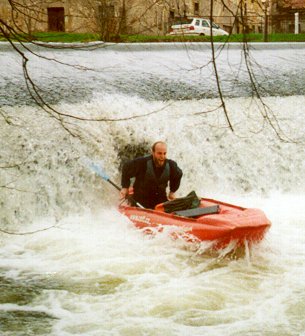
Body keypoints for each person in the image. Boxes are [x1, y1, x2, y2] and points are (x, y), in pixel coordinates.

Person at [120, 141, 183, 209]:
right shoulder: (143, 163)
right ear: (153, 152)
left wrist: (172, 192)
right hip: (140, 200)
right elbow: (126, 167)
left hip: (159, 200)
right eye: (159, 153)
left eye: (164, 153)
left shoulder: (171, 165)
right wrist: (125, 187)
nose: (162, 157)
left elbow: (178, 174)